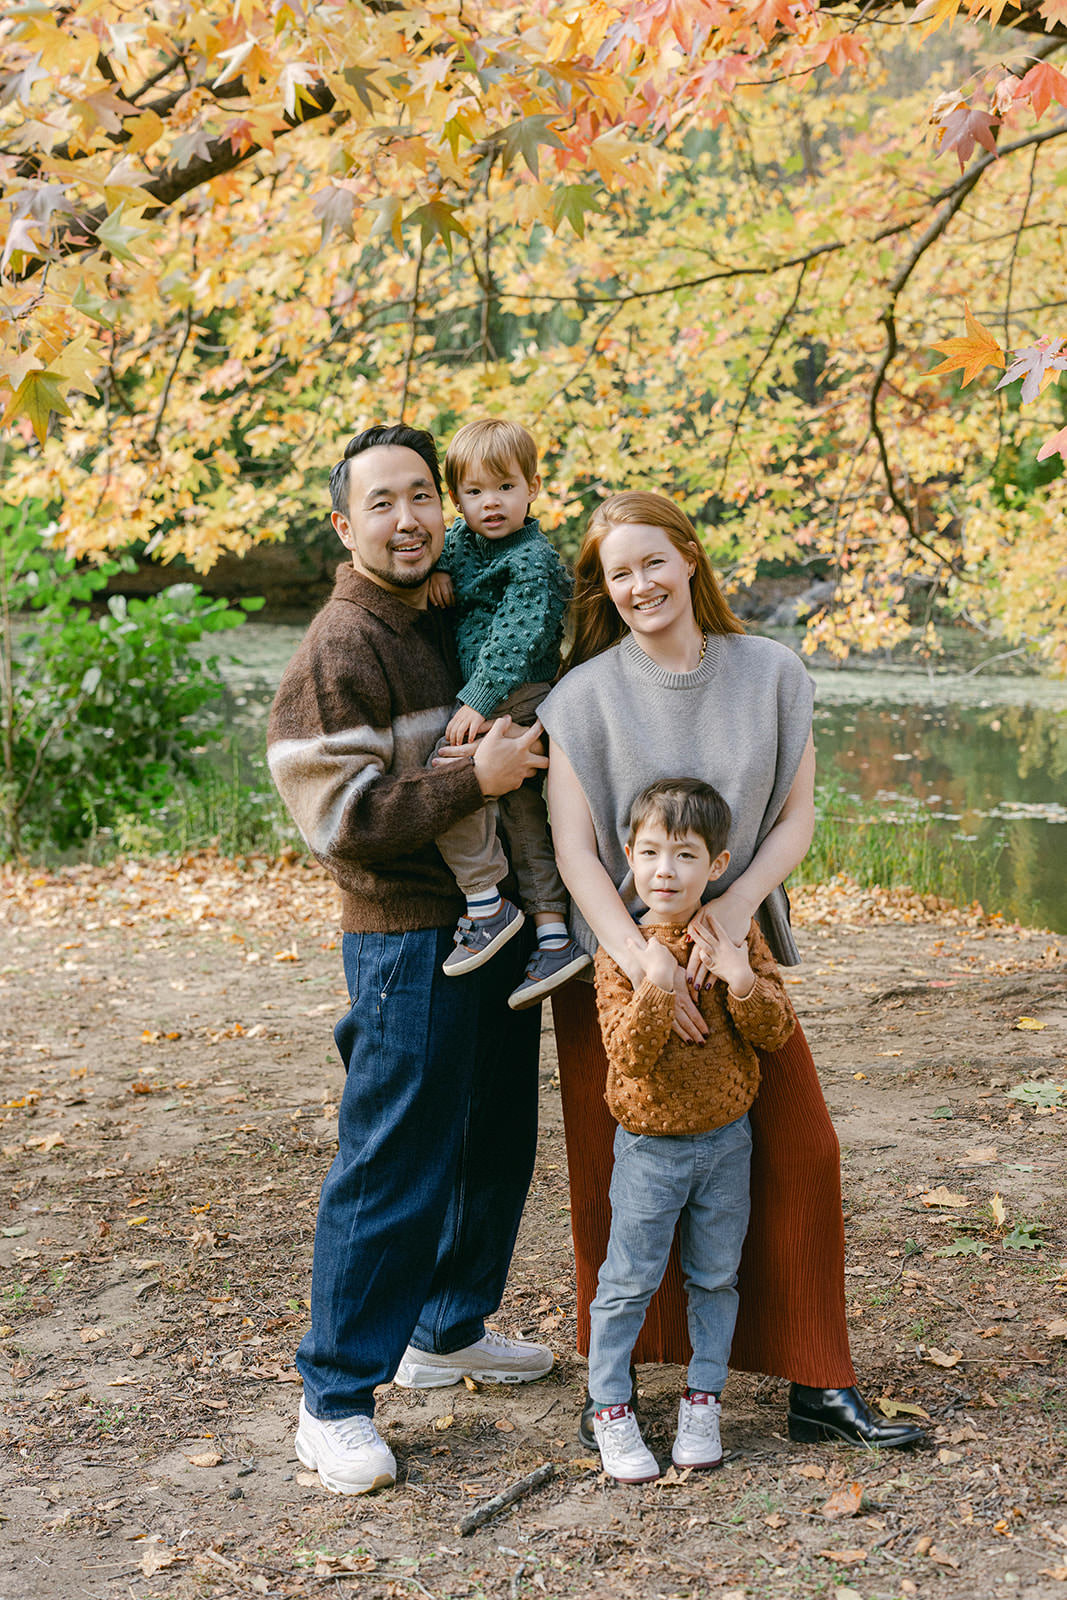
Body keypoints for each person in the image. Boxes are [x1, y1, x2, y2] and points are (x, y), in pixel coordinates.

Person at [538, 490, 926, 1452]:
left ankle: (816, 1385)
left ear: (689, 557)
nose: (638, 585)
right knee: (615, 1180)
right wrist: (642, 958)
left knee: (802, 1151)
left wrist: (737, 904)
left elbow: (796, 816)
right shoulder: (581, 696)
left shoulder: (771, 673)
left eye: (652, 562)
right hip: (622, 970)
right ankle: (615, 1390)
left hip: (736, 952)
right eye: (617, 573)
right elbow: (574, 850)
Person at [267, 424, 554, 1497]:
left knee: (492, 1141)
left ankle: (446, 1328)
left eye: (422, 495)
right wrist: (475, 779)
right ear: (344, 526)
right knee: (391, 1162)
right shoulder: (338, 648)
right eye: (381, 502)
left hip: (496, 924)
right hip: (405, 939)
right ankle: (333, 1399)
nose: (409, 517)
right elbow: (340, 819)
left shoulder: (447, 604)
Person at [588, 778, 796, 1483]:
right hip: (649, 1149)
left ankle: (702, 1401)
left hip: (727, 1143)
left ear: (717, 864)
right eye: (650, 853)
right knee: (628, 1281)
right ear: (628, 857)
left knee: (714, 1277)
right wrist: (656, 978)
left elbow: (774, 1032)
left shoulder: (734, 936)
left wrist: (740, 979)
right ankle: (609, 1407)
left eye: (684, 855)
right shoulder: (621, 952)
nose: (665, 871)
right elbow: (628, 1055)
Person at [426, 418, 590, 1009]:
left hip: (514, 691)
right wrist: (437, 572)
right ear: (457, 499)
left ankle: (485, 902)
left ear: (533, 488)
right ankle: (552, 936)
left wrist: (476, 699)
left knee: (447, 772)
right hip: (494, 694)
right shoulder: (459, 543)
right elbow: (437, 555)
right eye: (474, 491)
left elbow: (516, 639)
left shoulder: (532, 559)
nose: (490, 503)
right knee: (521, 815)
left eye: (505, 487)